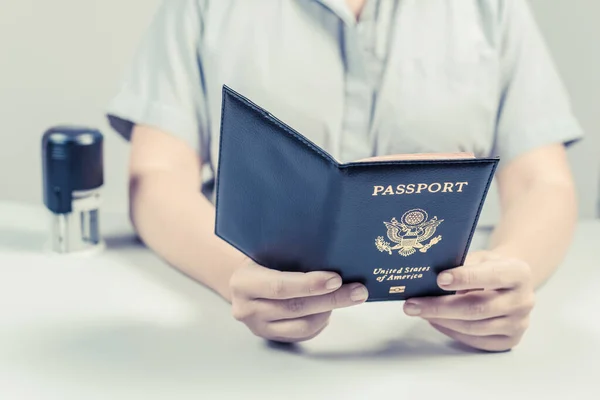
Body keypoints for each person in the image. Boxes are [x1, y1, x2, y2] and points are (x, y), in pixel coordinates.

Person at [106, 0, 583, 352]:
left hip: (442, 332)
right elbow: (158, 176)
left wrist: (507, 276)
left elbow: (542, 182)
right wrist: (237, 279)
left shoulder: (494, 7)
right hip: (252, 331)